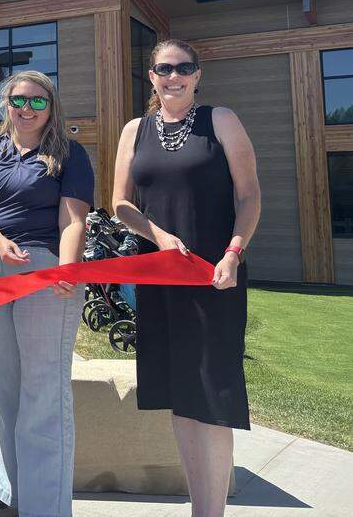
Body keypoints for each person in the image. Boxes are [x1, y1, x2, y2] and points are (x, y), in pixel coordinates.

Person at [112, 39, 260, 517]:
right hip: (159, 279)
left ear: (198, 75)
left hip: (215, 278)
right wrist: (156, 233)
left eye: (183, 68)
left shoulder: (222, 121)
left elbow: (250, 196)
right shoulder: (134, 130)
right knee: (180, 395)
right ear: (151, 76)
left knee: (212, 395)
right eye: (163, 68)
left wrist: (234, 254)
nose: (173, 76)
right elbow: (120, 204)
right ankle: (201, 508)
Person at [0, 70, 94, 517]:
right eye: (20, 100)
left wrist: (67, 269)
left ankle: (46, 507)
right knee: (6, 385)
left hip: (44, 270)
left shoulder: (69, 154)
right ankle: (11, 493)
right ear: (5, 104)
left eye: (39, 101)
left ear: (51, 107)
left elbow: (74, 221)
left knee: (43, 389)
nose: (28, 108)